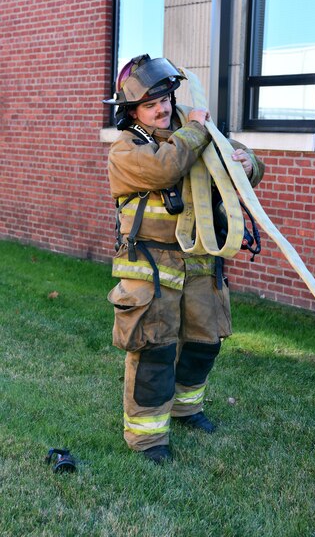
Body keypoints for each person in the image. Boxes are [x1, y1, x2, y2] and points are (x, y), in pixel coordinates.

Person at [103, 54, 264, 464]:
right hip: (151, 267)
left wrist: (248, 162)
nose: (163, 108)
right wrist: (195, 127)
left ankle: (187, 408)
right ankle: (147, 438)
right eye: (151, 104)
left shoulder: (191, 132)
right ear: (133, 112)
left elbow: (237, 157)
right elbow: (165, 169)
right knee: (154, 349)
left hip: (201, 261)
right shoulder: (127, 149)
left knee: (204, 342)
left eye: (166, 99)